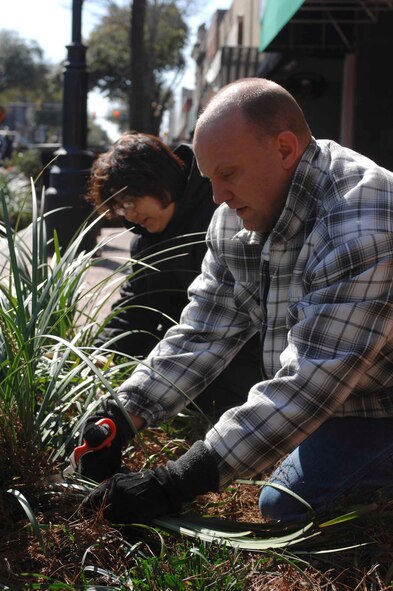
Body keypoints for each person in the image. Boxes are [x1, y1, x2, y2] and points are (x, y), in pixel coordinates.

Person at [81, 78, 393, 525]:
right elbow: (203, 329)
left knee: (284, 504)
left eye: (228, 174)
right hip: (340, 393)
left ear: (285, 149)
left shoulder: (361, 226)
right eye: (209, 179)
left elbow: (310, 383)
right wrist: (122, 415)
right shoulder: (233, 217)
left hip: (381, 403)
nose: (217, 198)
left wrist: (176, 482)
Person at [81, 131, 261, 480]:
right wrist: (95, 356)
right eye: (120, 210)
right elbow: (138, 308)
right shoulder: (145, 240)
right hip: (186, 361)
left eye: (131, 202)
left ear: (157, 181)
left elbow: (233, 321)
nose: (129, 217)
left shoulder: (223, 211)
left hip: (243, 358)